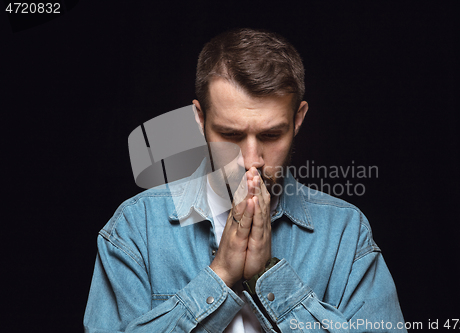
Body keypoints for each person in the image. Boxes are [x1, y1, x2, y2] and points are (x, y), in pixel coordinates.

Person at [84, 28, 407, 332]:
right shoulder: (136, 227)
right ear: (200, 118)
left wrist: (267, 277)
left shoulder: (344, 232)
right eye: (230, 134)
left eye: (271, 134)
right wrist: (220, 274)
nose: (251, 160)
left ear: (298, 119)